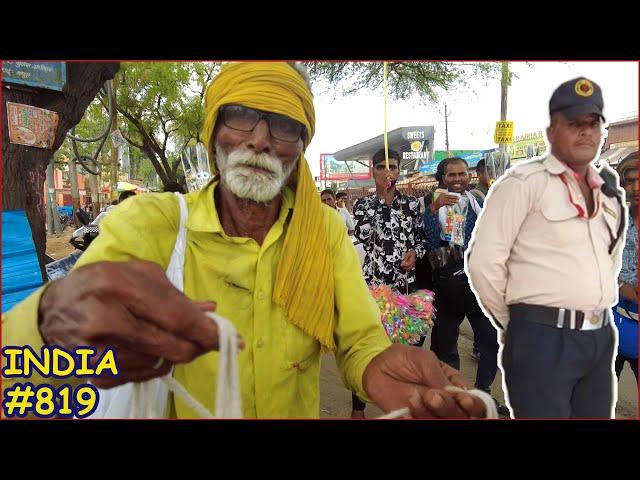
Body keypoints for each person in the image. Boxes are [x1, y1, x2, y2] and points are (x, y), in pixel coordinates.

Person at [3, 62, 487, 419]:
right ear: (214, 133)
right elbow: (23, 371)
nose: (259, 139)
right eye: (239, 116)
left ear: (299, 146)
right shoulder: (151, 226)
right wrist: (49, 322)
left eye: (282, 125)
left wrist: (379, 364)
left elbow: (357, 340)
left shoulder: (323, 231)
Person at [467, 77, 626, 418]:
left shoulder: (610, 197)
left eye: (592, 123)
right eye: (574, 123)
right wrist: (517, 323)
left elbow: (609, 260)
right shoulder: (524, 184)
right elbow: (483, 263)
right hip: (542, 338)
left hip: (600, 335)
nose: (585, 132)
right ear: (552, 131)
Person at [422, 157, 506, 416]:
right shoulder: (430, 203)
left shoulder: (476, 201)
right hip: (447, 287)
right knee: (447, 347)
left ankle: (483, 393)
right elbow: (432, 243)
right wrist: (434, 211)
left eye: (462, 174)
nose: (458, 179)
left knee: (491, 342)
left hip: (476, 286)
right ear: (442, 178)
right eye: (451, 175)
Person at [351, 147, 427, 418]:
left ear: (399, 170)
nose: (387, 172)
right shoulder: (363, 205)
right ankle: (358, 408)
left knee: (405, 347)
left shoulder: (410, 205)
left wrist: (414, 253)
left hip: (404, 286)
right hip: (374, 287)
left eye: (392, 167)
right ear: (373, 172)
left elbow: (420, 239)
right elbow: (362, 233)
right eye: (381, 167)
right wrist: (382, 200)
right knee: (369, 345)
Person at [613, 154, 638, 385]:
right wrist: (620, 286)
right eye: (629, 181)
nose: (635, 188)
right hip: (614, 321)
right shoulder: (614, 221)